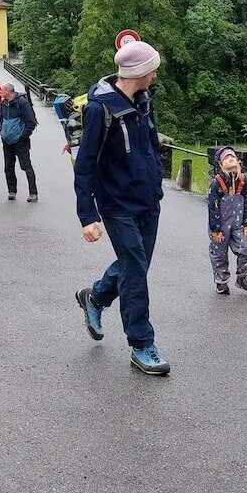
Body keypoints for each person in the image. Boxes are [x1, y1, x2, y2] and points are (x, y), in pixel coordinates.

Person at [73, 41, 168, 376]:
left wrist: (156, 183)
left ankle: (95, 298)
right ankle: (141, 344)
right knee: (135, 269)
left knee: (135, 266)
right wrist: (87, 216)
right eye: (153, 69)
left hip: (148, 201)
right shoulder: (100, 110)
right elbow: (85, 165)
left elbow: (151, 145)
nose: (156, 74)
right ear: (139, 72)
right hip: (116, 205)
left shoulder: (144, 100)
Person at [208, 147, 247, 294]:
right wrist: (215, 230)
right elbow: (213, 207)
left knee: (245, 250)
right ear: (221, 164)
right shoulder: (217, 183)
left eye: (233, 157)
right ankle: (221, 282)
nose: (230, 159)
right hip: (220, 226)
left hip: (237, 225)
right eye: (226, 158)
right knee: (219, 254)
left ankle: (242, 278)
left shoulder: (243, 181)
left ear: (238, 161)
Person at [0, 83, 39, 202]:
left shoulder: (22, 102)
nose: (0, 92)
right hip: (7, 141)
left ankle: (33, 193)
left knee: (26, 166)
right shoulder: (3, 103)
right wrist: (3, 134)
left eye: (2, 90)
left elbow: (31, 122)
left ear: (8, 91)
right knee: (8, 167)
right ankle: (12, 191)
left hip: (21, 141)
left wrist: (23, 136)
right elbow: (2, 119)